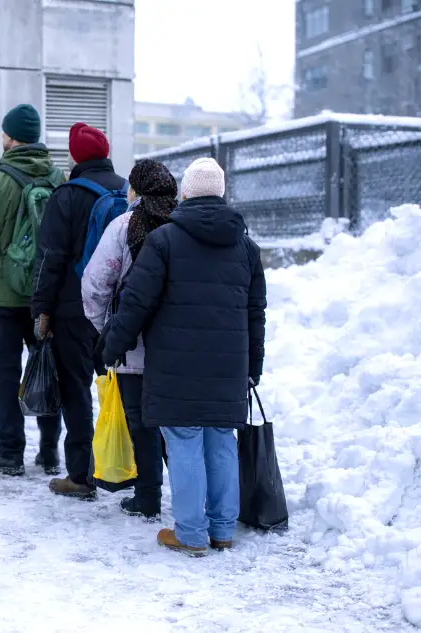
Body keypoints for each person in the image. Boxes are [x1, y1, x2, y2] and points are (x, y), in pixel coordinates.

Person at [102, 157, 267, 556]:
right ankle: (222, 529)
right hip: (228, 367)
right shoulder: (246, 247)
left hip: (176, 367)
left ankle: (191, 533)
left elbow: (137, 302)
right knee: (221, 440)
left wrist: (113, 345)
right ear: (221, 193)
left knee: (184, 440)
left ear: (187, 192)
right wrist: (253, 367)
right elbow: (255, 312)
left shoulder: (164, 241)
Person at [0, 104, 65, 476]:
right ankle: (49, 451)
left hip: (1, 297)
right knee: (47, 368)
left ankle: (10, 451)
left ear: (10, 137)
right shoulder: (58, 179)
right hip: (46, 297)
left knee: (4, 374)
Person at [29, 122, 126, 499]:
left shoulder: (67, 196)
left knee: (76, 390)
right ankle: (124, 468)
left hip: (74, 309)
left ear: (75, 156)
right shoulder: (126, 190)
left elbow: (49, 258)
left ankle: (81, 475)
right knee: (118, 388)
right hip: (119, 309)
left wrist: (42, 308)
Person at [81, 159, 179, 520]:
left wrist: (107, 328)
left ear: (134, 190)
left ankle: (147, 497)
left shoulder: (124, 227)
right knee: (177, 426)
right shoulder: (182, 226)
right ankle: (187, 498)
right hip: (175, 346)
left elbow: (95, 284)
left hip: (131, 344)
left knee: (140, 424)